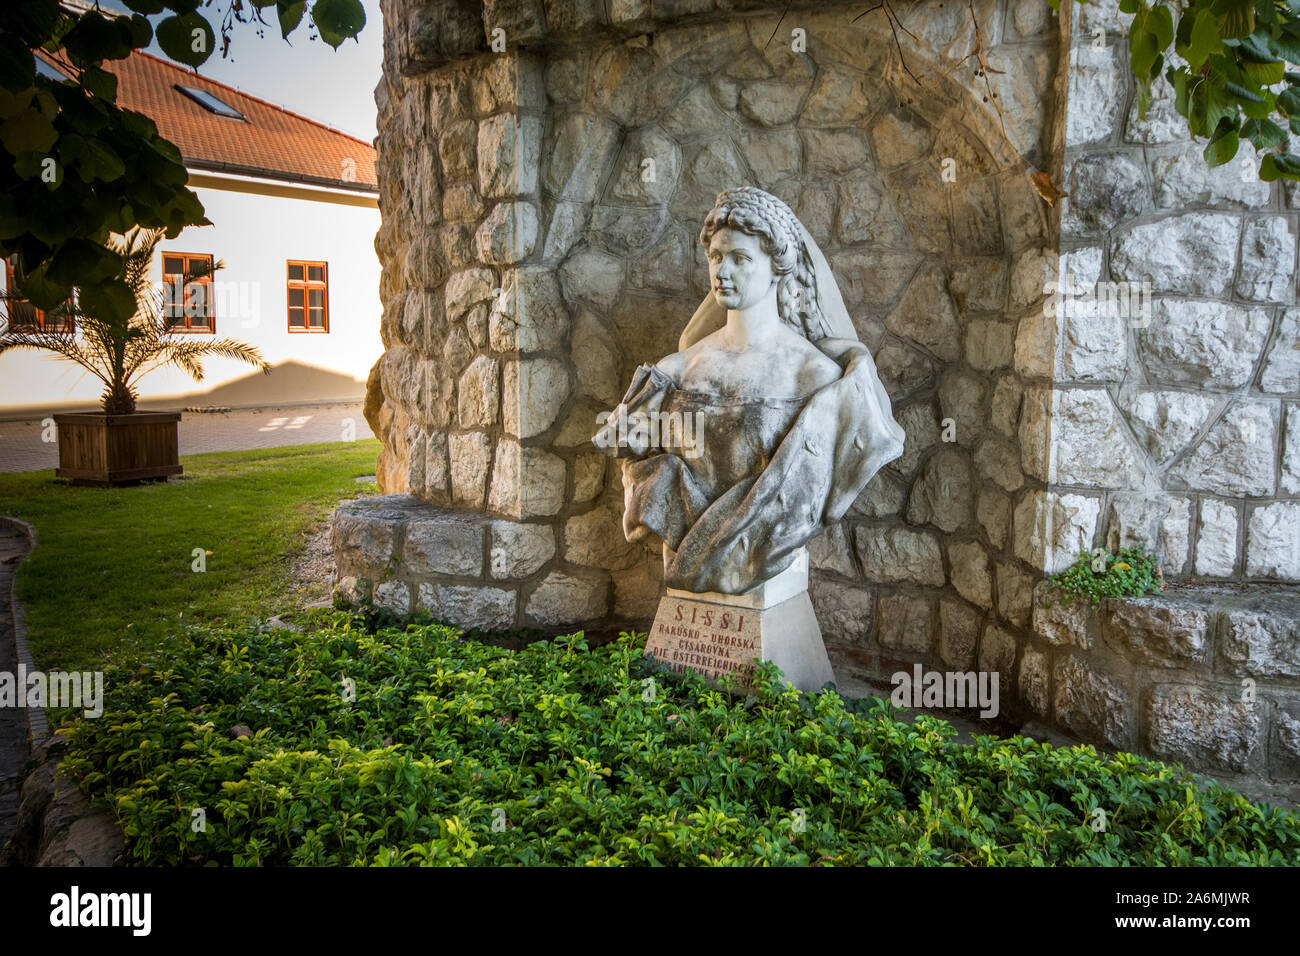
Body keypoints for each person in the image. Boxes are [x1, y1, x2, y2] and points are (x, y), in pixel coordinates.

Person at [593, 186, 905, 595]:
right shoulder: (674, 373)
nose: (722, 272)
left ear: (778, 266)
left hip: (770, 573)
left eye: (740, 259)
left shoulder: (821, 381)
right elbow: (632, 454)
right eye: (717, 257)